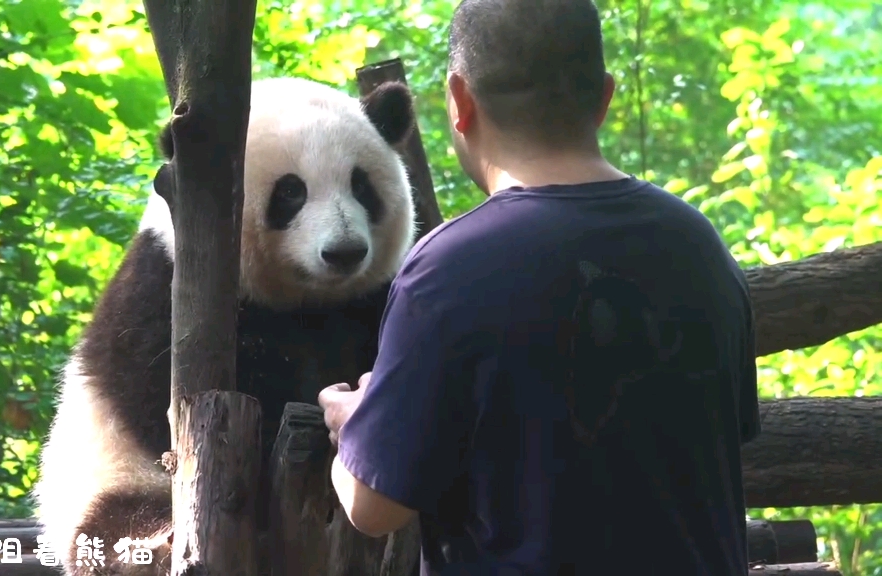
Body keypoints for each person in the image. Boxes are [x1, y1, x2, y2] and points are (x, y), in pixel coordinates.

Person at [317, 0, 762, 573]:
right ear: (604, 97)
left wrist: (357, 424)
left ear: (459, 102)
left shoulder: (449, 271)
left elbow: (371, 506)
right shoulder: (700, 247)